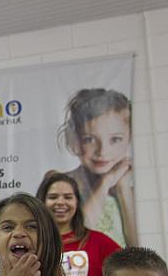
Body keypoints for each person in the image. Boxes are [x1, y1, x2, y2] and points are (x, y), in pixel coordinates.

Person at [36, 172, 120, 276]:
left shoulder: (98, 241)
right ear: (42, 203)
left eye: (68, 197)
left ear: (76, 202)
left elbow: (133, 273)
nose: (60, 202)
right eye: (53, 197)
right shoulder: (32, 243)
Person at [53, 88, 136, 246]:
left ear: (129, 138)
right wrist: (105, 183)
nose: (103, 152)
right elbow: (77, 237)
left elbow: (137, 249)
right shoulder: (60, 184)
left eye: (115, 139)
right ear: (75, 138)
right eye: (90, 140)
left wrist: (124, 189)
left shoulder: (129, 188)